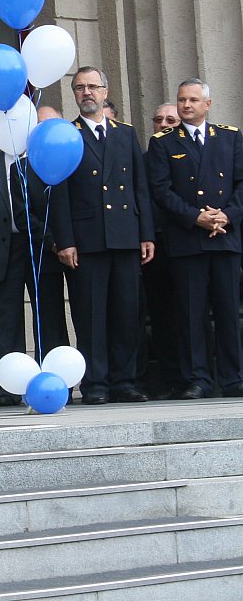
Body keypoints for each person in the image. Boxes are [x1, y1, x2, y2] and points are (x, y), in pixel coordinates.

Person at [53, 67, 154, 404]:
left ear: (105, 90)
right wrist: (65, 240)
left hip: (125, 236)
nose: (87, 93)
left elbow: (140, 188)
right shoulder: (67, 134)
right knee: (90, 316)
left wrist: (146, 234)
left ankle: (125, 381)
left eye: (93, 87)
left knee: (127, 312)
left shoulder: (125, 134)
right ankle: (95, 384)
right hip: (87, 240)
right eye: (80, 88)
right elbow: (60, 192)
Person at [146, 77, 243, 399]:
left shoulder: (229, 138)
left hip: (224, 237)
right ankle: (198, 378)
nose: (186, 105)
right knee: (191, 314)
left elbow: (241, 183)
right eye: (182, 100)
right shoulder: (163, 142)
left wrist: (226, 215)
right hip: (188, 240)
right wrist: (195, 218)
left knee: (228, 312)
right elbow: (161, 190)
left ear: (207, 104)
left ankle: (232, 378)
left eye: (192, 100)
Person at [0, 106, 69, 406]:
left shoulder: (45, 163)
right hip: (6, 249)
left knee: (49, 317)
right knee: (6, 320)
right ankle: (6, 390)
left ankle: (55, 382)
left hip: (44, 248)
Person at [141, 100, 183, 396]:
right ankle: (169, 379)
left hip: (188, 244)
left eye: (171, 120)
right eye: (159, 120)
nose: (164, 124)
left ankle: (199, 376)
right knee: (161, 315)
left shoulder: (196, 155)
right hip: (154, 247)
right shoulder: (142, 159)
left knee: (192, 313)